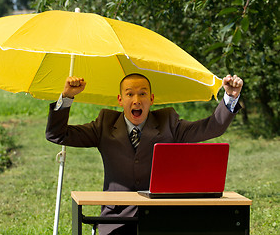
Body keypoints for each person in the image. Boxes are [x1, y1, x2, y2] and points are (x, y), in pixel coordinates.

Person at [46, 73, 243, 235]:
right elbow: (57, 134)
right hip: (116, 219)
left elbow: (211, 128)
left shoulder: (168, 122)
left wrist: (230, 98)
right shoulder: (104, 124)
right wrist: (67, 97)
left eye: (142, 94)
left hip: (161, 219)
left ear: (151, 99)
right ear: (120, 100)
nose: (137, 100)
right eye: (130, 94)